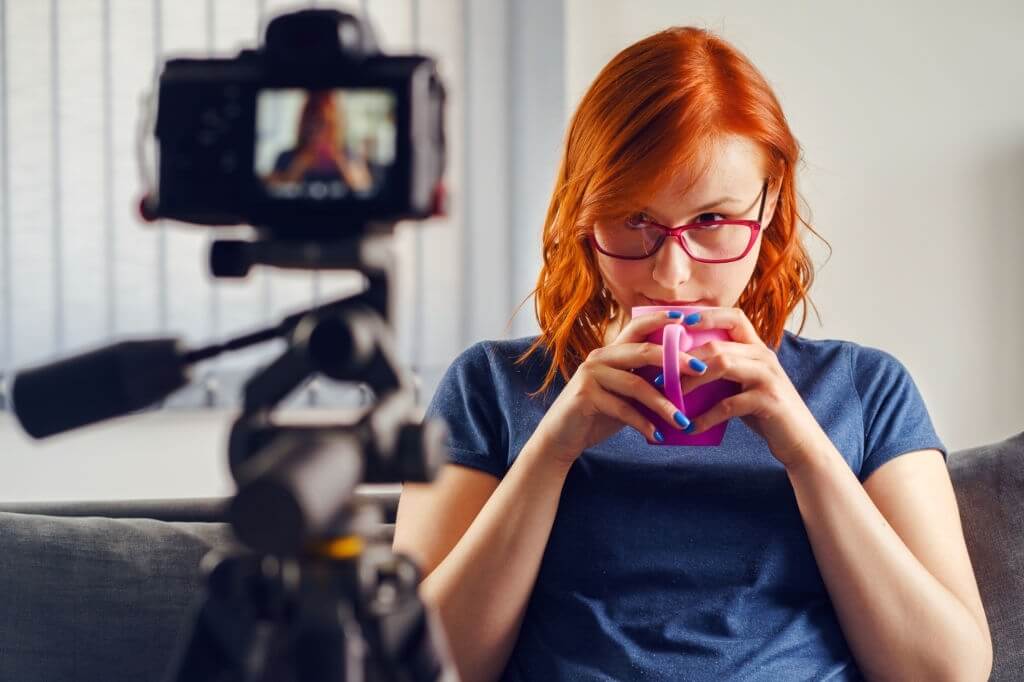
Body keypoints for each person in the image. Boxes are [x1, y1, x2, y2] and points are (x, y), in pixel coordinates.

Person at [393, 27, 992, 682]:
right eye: (634, 221)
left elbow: (947, 672)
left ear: (769, 209)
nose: (672, 274)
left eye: (711, 221)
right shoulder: (494, 386)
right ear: (582, 218)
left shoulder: (866, 389)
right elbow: (414, 666)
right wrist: (552, 451)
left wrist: (805, 451)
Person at [263, 90, 374, 193]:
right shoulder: (286, 156)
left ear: (335, 125)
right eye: (311, 124)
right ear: (303, 125)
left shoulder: (349, 155)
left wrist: (341, 164)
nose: (317, 132)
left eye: (323, 124)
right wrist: (295, 170)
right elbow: (271, 190)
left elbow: (365, 188)